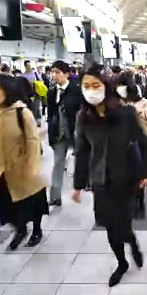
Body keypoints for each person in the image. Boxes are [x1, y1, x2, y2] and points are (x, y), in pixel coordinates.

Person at [72, 65, 147, 287]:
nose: (91, 90)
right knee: (110, 227)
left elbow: (145, 143)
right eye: (86, 86)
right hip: (101, 180)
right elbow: (81, 151)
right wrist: (78, 184)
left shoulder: (126, 113)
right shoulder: (83, 117)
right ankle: (122, 262)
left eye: (96, 85)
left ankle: (132, 243)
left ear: (106, 86)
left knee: (123, 222)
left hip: (127, 178)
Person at [0, 74, 48, 250]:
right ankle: (20, 230)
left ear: (8, 90)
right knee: (6, 205)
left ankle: (37, 230)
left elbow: (33, 140)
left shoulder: (21, 112)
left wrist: (32, 166)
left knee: (31, 202)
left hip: (22, 166)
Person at [115, 72, 147, 218]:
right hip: (122, 144)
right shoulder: (117, 104)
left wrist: (144, 117)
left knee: (139, 177)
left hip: (141, 144)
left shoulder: (146, 104)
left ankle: (138, 204)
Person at [47, 60, 82, 207]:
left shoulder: (77, 90)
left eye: (58, 72)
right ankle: (55, 196)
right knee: (58, 163)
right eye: (53, 72)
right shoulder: (51, 91)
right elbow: (50, 114)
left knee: (82, 160)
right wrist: (51, 134)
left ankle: (85, 185)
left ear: (66, 74)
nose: (54, 75)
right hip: (59, 133)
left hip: (75, 131)